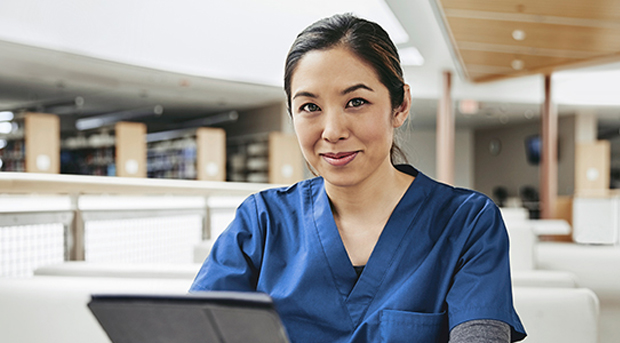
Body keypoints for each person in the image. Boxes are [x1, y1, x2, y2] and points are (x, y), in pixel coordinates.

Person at [191, 13, 526, 343]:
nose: (333, 131)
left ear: (401, 106)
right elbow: (191, 331)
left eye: (356, 102)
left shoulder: (467, 224)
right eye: (310, 107)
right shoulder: (262, 223)